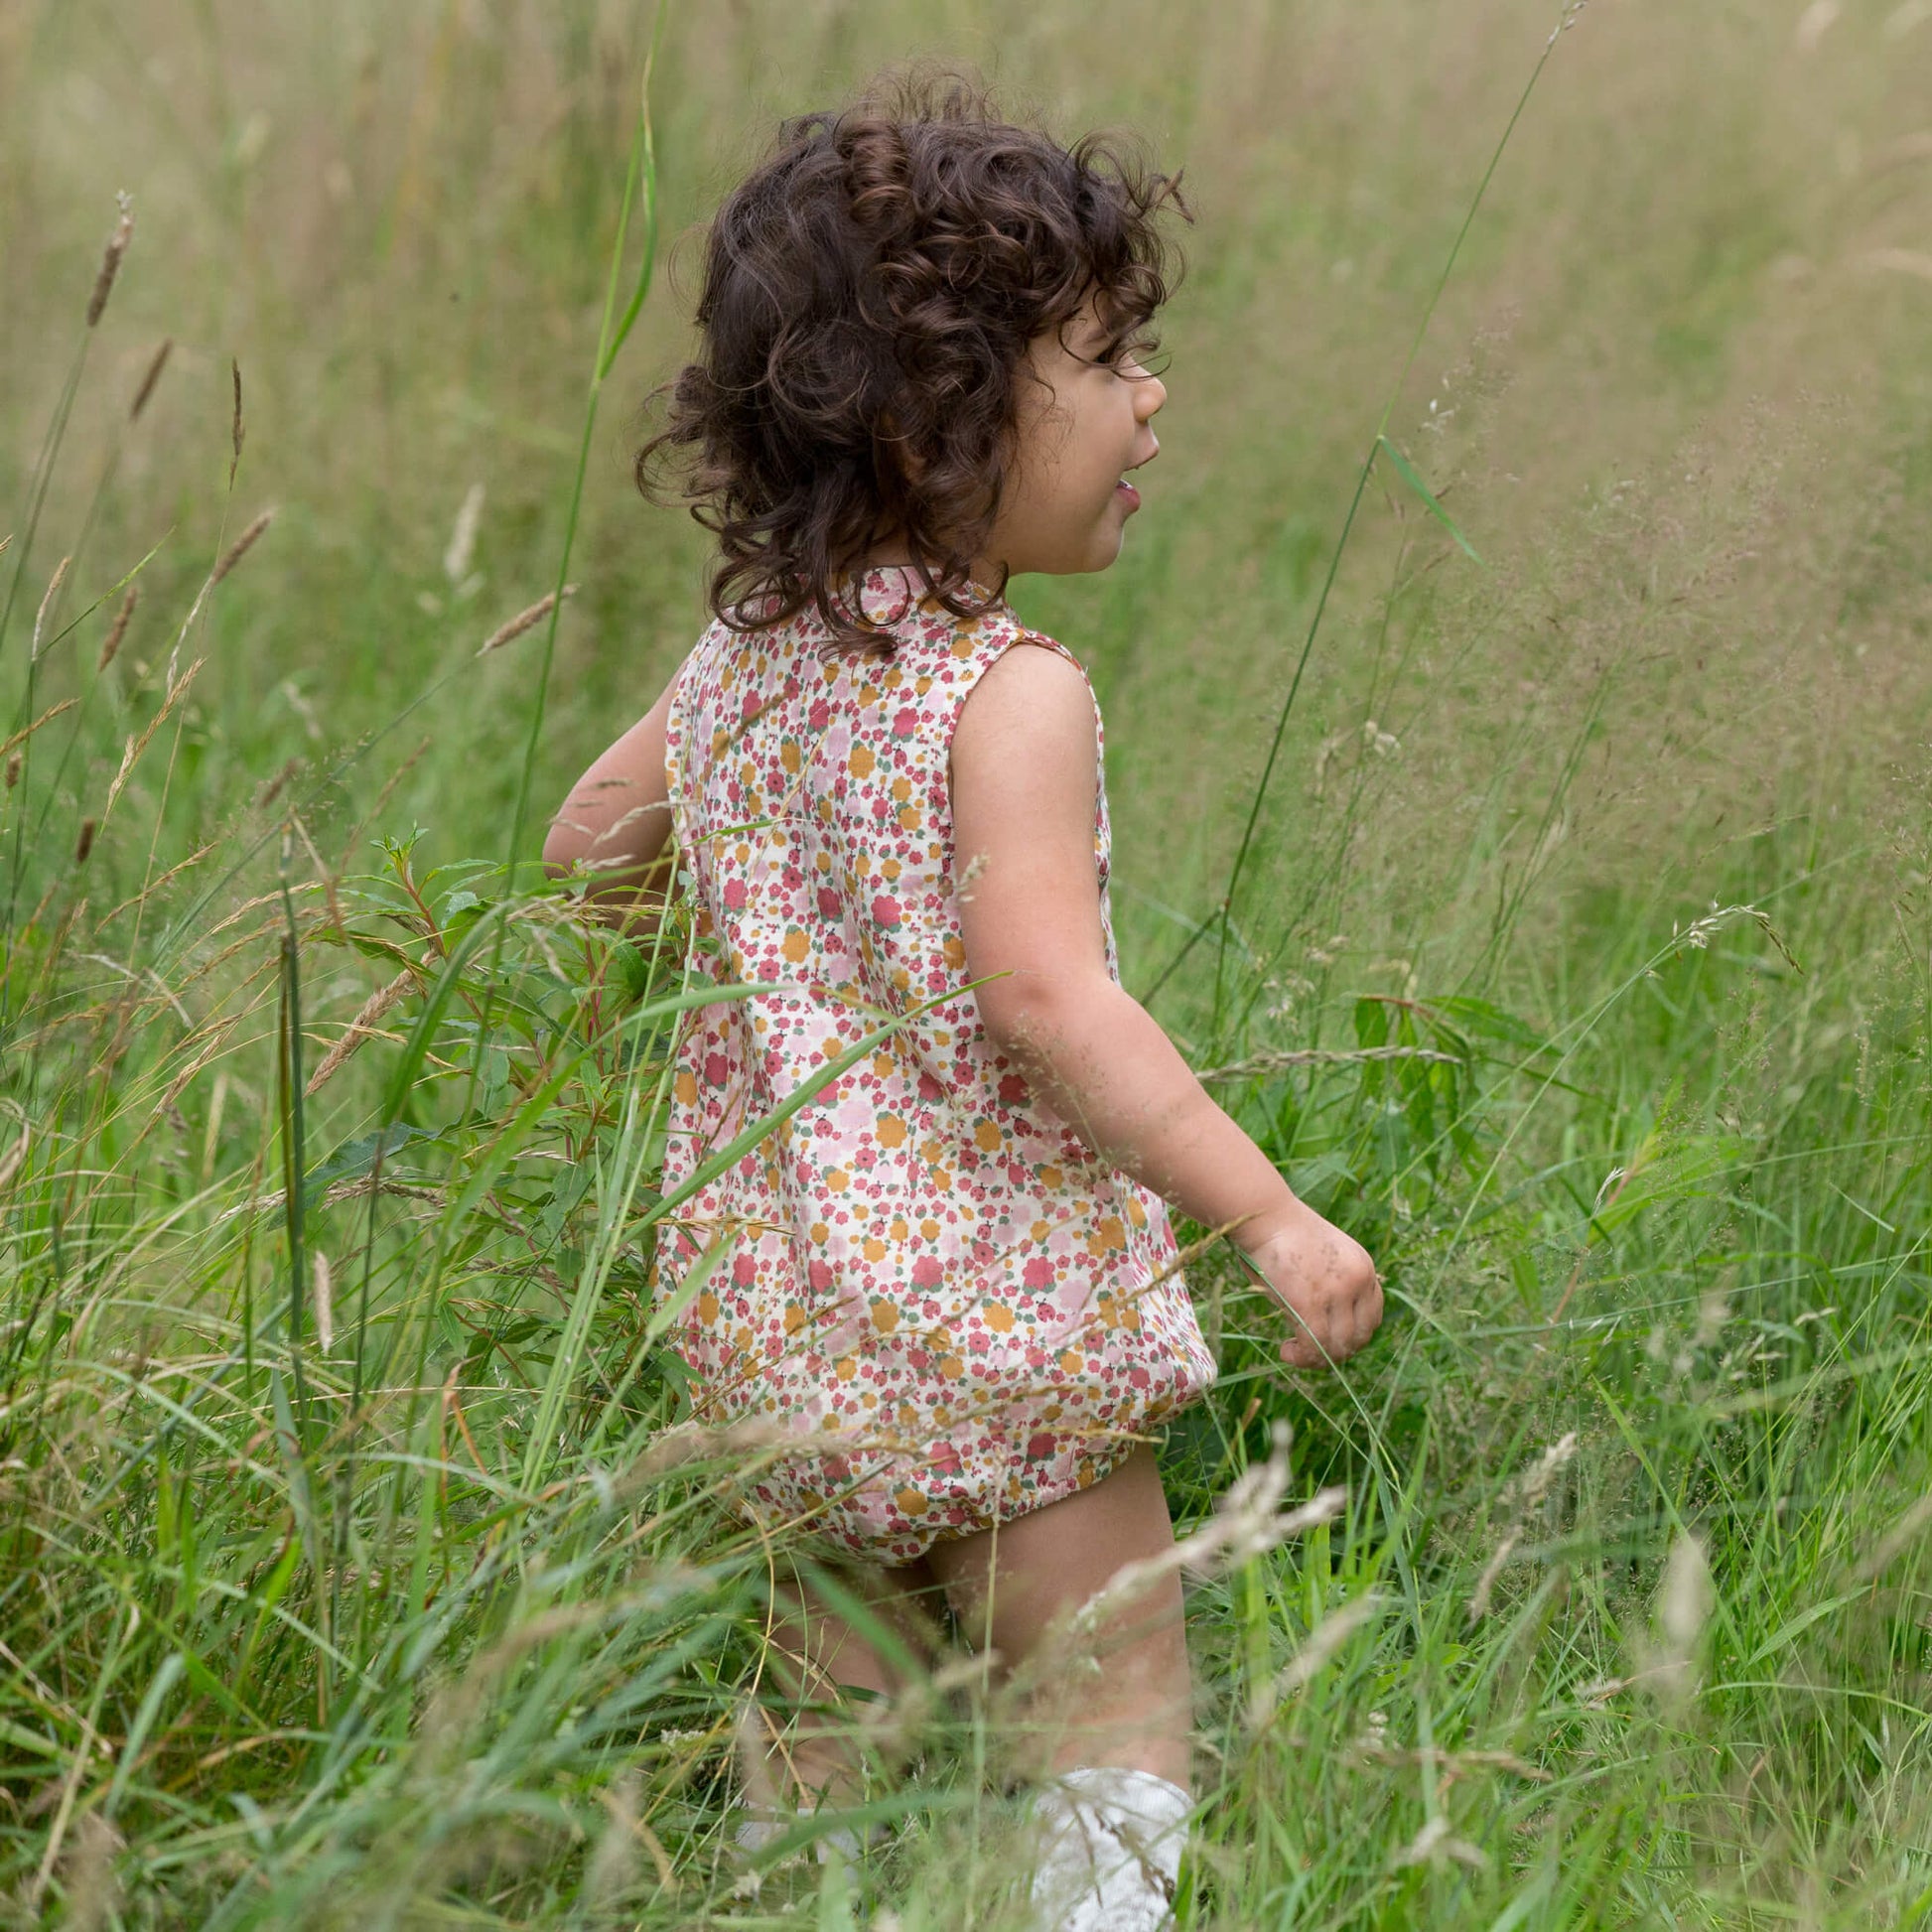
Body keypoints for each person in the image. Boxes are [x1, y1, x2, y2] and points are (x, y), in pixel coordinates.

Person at [543, 67, 1382, 1930]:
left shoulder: (743, 656)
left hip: (785, 1316)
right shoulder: (1010, 693)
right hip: (1000, 1318)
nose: (1150, 396)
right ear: (940, 422)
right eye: (1102, 358)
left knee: (825, 1744)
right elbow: (1041, 996)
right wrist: (1263, 1211)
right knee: (1108, 1707)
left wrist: (723, 998)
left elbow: (589, 840)